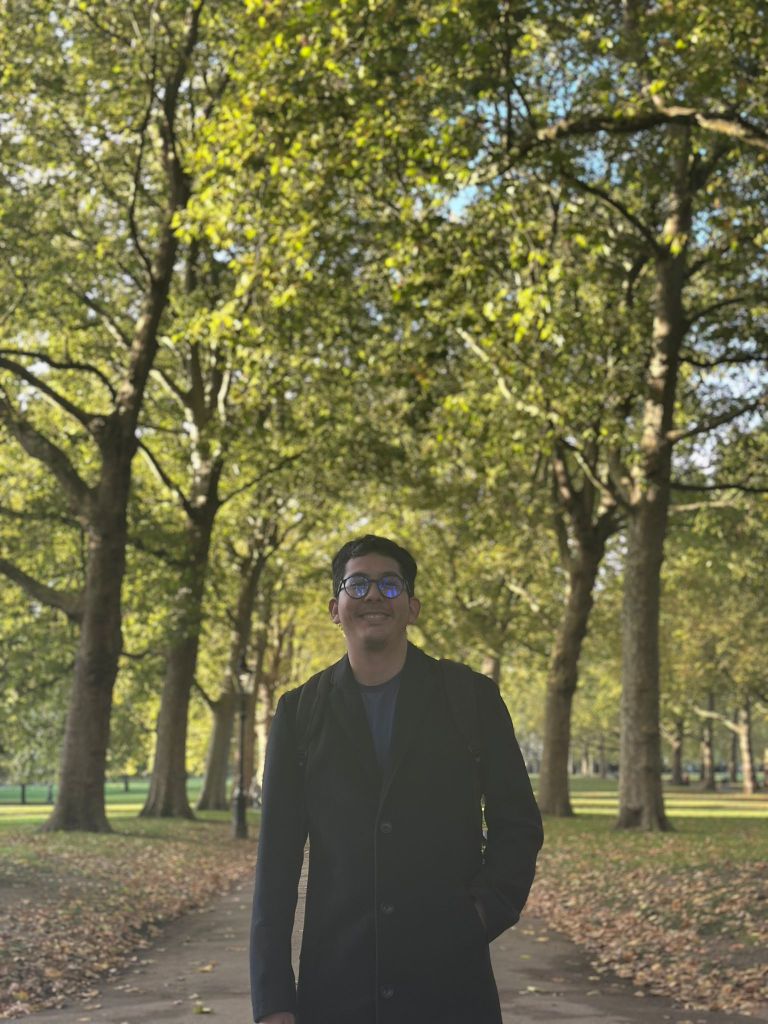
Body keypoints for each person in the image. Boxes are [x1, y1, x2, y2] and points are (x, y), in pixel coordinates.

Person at [250, 534, 543, 1024]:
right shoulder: (298, 713)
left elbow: (518, 823)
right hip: (336, 986)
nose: (373, 595)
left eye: (390, 585)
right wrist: (273, 999)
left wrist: (482, 914)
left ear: (412, 607)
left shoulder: (471, 698)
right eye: (357, 584)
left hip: (451, 985)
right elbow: (275, 863)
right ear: (335, 608)